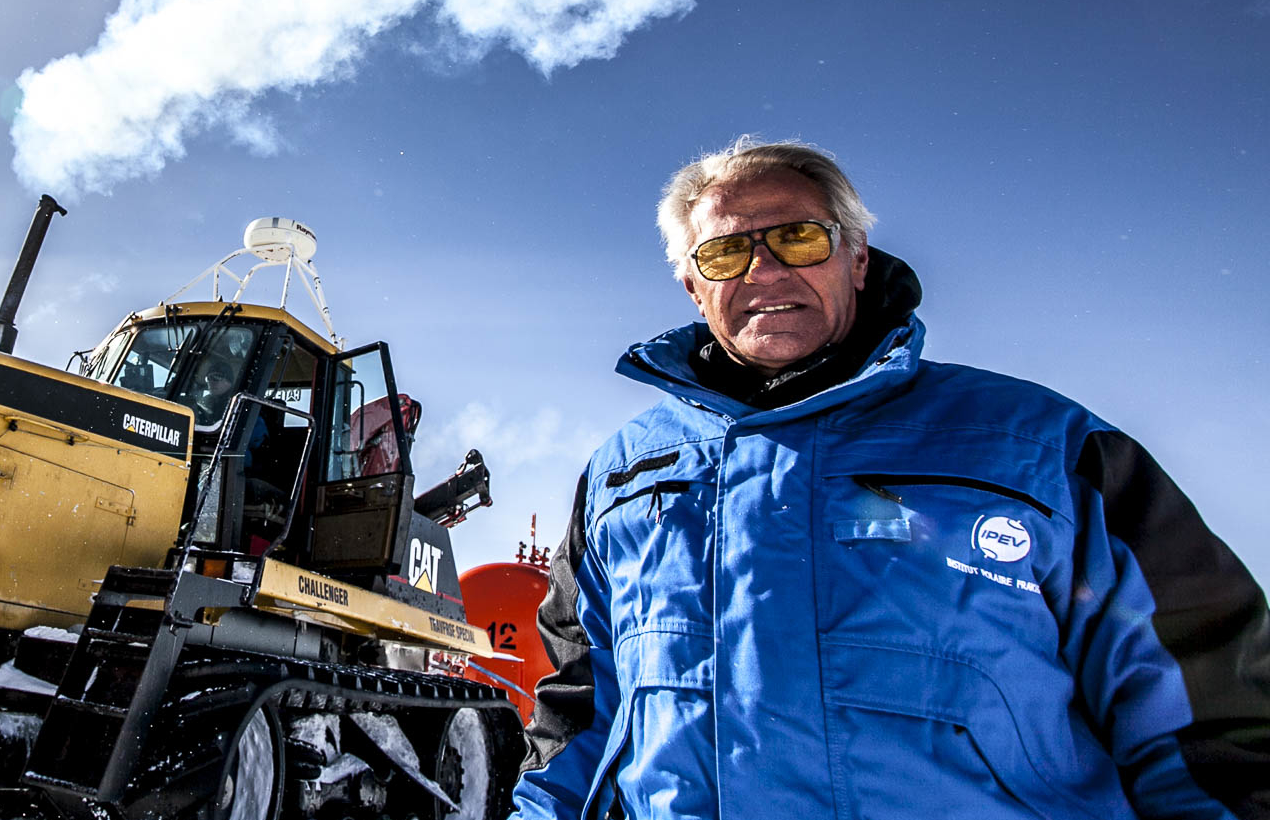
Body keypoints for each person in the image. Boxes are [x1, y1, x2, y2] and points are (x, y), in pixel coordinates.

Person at [511, 138, 1270, 820]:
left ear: (857, 256)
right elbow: (578, 711)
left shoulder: (1044, 446)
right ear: (691, 285)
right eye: (725, 252)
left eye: (797, 237)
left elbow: (1209, 710)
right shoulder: (623, 472)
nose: (764, 268)